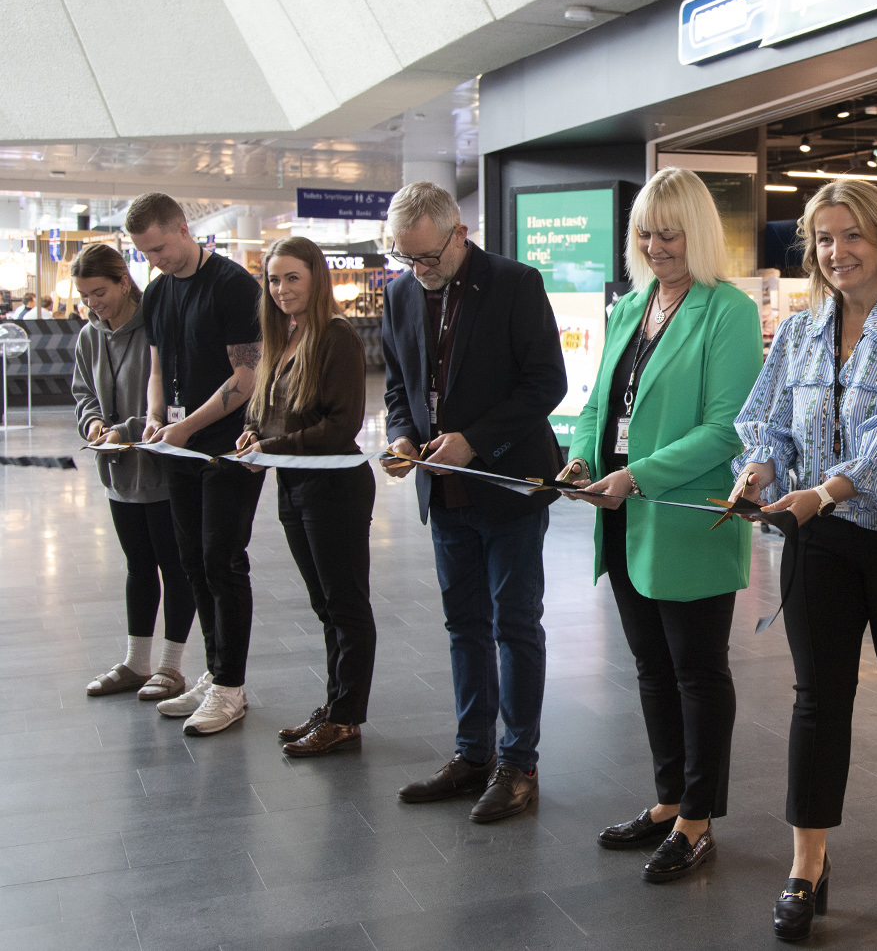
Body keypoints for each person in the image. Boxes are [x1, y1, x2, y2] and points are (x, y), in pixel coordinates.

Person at [732, 179, 877, 941]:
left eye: (853, 236)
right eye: (825, 239)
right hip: (820, 543)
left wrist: (823, 492)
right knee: (817, 699)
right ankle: (806, 863)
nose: (838, 253)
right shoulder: (799, 332)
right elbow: (766, 418)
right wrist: (759, 470)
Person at [561, 168, 763, 882]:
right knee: (651, 669)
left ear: (699, 233)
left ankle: (698, 818)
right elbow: (596, 406)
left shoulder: (727, 310)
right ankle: (669, 798)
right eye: (644, 233)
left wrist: (638, 475)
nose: (655, 246)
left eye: (669, 233)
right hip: (620, 519)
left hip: (684, 519)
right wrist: (580, 464)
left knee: (698, 672)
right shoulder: (629, 309)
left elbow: (728, 429)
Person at [381, 181, 567, 823]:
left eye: (428, 257)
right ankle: (472, 755)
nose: (419, 271)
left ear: (458, 234)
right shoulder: (401, 292)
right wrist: (401, 435)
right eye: (408, 259)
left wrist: (476, 442)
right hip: (442, 490)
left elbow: (548, 382)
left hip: (508, 484)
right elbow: (398, 385)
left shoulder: (515, 283)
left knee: (514, 624)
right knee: (463, 626)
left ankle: (519, 766)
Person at [128, 192, 265, 736]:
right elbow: (157, 365)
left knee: (222, 559)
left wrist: (187, 427)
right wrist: (154, 415)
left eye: (160, 247)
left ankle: (232, 687)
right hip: (180, 447)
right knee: (191, 560)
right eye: (145, 253)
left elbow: (246, 379)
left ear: (185, 229)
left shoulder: (234, 286)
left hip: (231, 446)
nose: (154, 260)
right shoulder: (159, 292)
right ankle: (214, 673)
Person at [237, 237, 376, 758]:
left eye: (292, 277)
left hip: (334, 486)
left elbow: (341, 426)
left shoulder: (336, 337)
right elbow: (268, 411)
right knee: (326, 605)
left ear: (316, 278)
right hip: (294, 484)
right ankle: (337, 705)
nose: (281, 289)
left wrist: (272, 446)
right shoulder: (284, 338)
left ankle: (346, 718)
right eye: (273, 280)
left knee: (346, 606)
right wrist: (253, 435)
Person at [72, 243, 195, 702]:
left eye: (99, 292)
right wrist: (94, 423)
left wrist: (125, 430)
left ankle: (170, 667)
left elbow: (170, 398)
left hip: (162, 471)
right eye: (85, 296)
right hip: (119, 474)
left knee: (175, 567)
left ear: (124, 281)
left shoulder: (156, 327)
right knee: (138, 567)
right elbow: (83, 391)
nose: (93, 304)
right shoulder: (90, 335)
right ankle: (135, 663)